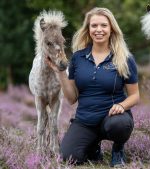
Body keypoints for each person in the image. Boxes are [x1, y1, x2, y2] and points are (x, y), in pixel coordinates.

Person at [45, 7, 139, 167]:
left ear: (111, 29)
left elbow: (135, 96)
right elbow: (72, 98)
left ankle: (118, 149)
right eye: (94, 26)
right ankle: (93, 147)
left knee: (119, 125)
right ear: (88, 30)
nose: (99, 30)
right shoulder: (78, 58)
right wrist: (60, 72)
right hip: (85, 120)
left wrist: (121, 106)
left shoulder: (125, 58)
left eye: (104, 25)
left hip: (113, 118)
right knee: (69, 157)